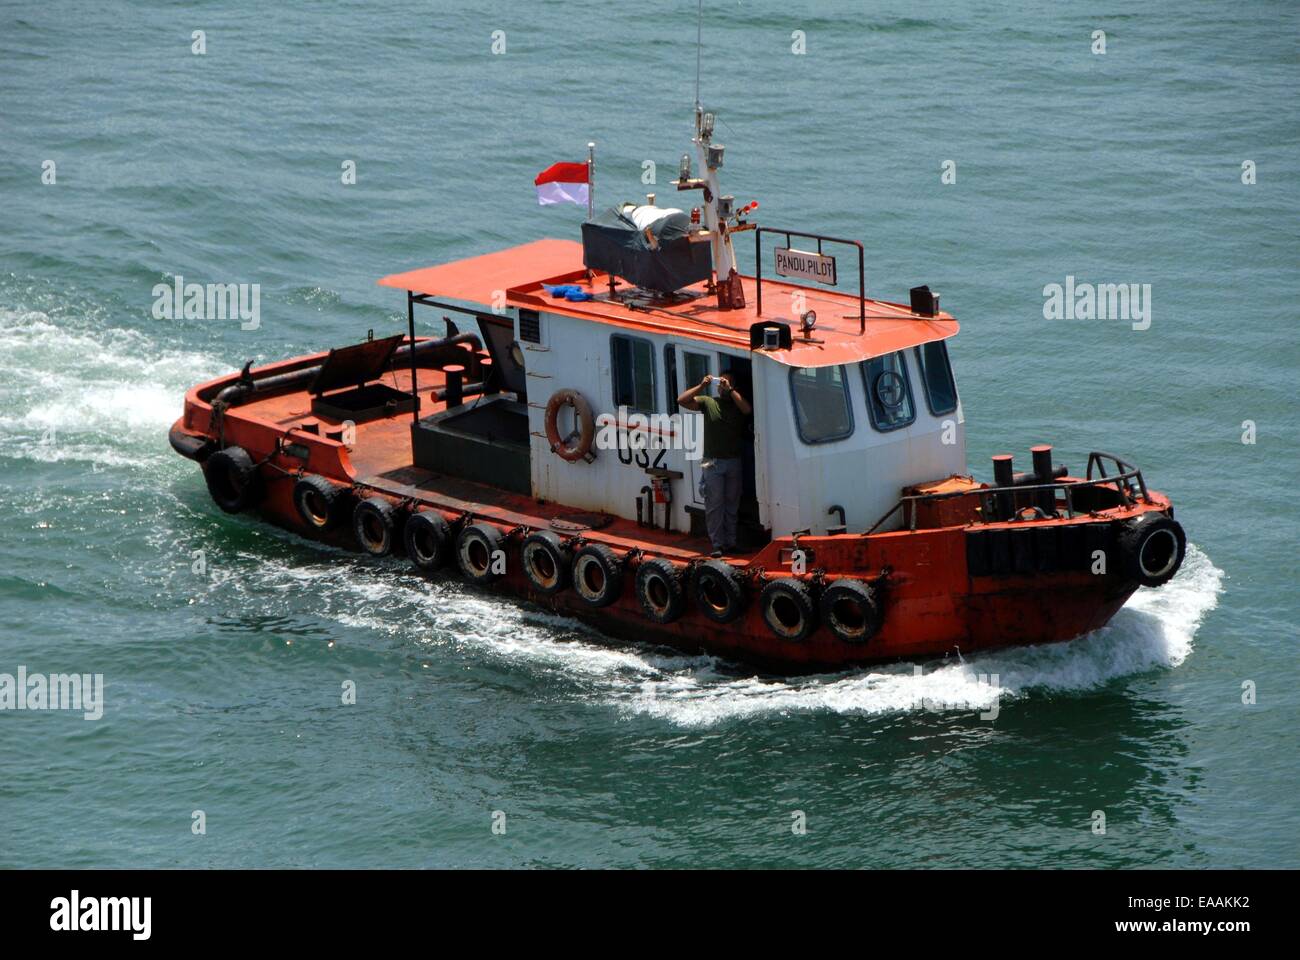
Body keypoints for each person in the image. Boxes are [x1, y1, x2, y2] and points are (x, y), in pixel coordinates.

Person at [677, 370, 752, 556]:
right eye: (721, 383)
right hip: (712, 462)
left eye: (725, 383)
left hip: (733, 461)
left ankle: (731, 542)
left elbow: (747, 410)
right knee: (714, 505)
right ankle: (718, 545)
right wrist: (702, 386)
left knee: (732, 504)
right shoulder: (709, 402)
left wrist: (731, 390)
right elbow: (682, 400)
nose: (722, 386)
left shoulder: (736, 404)